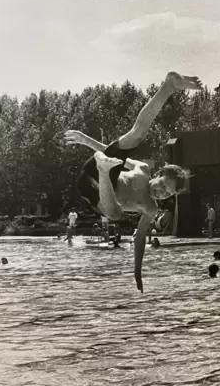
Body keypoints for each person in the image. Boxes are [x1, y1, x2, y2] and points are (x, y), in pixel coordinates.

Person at [64, 71, 202, 292]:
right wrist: (84, 140)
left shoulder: (150, 209)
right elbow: (110, 150)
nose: (160, 192)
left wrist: (137, 273)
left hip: (94, 190)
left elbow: (139, 241)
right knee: (136, 135)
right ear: (158, 175)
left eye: (167, 194)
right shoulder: (142, 169)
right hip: (100, 168)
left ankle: (103, 167)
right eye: (163, 185)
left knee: (116, 215)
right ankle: (169, 86)